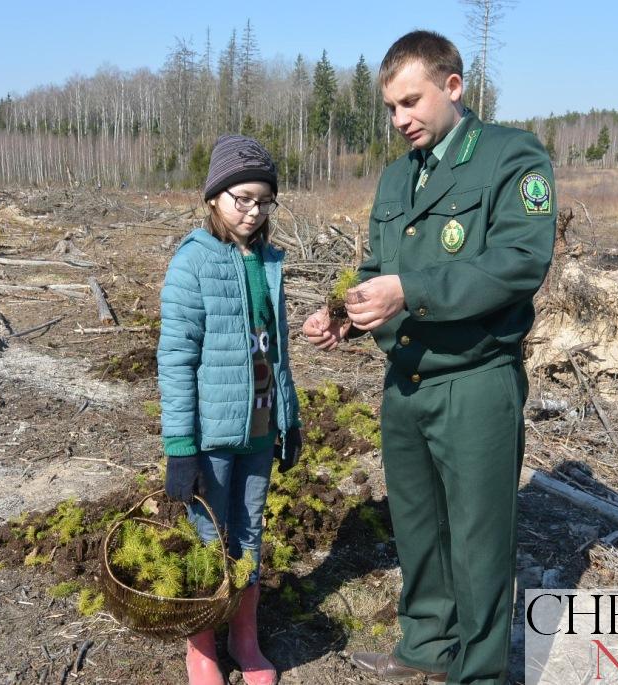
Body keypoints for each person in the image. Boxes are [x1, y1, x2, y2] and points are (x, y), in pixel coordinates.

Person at [303, 30, 556, 685]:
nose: (399, 119)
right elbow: (374, 269)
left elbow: (517, 263)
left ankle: (478, 671)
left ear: (452, 86)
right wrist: (342, 315)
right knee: (417, 527)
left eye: (410, 102)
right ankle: (425, 646)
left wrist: (409, 290)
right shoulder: (396, 177)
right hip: (406, 384)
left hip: (474, 380)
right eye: (390, 108)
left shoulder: (509, 157)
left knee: (478, 539)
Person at [157, 134, 302, 685]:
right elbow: (174, 360)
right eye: (241, 198)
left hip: (259, 430)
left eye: (263, 200)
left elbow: (279, 350)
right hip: (210, 437)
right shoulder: (193, 263)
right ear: (215, 197)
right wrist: (179, 448)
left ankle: (245, 638)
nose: (252, 210)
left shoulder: (267, 261)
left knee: (250, 530)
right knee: (207, 537)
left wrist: (290, 420)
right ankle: (202, 649)